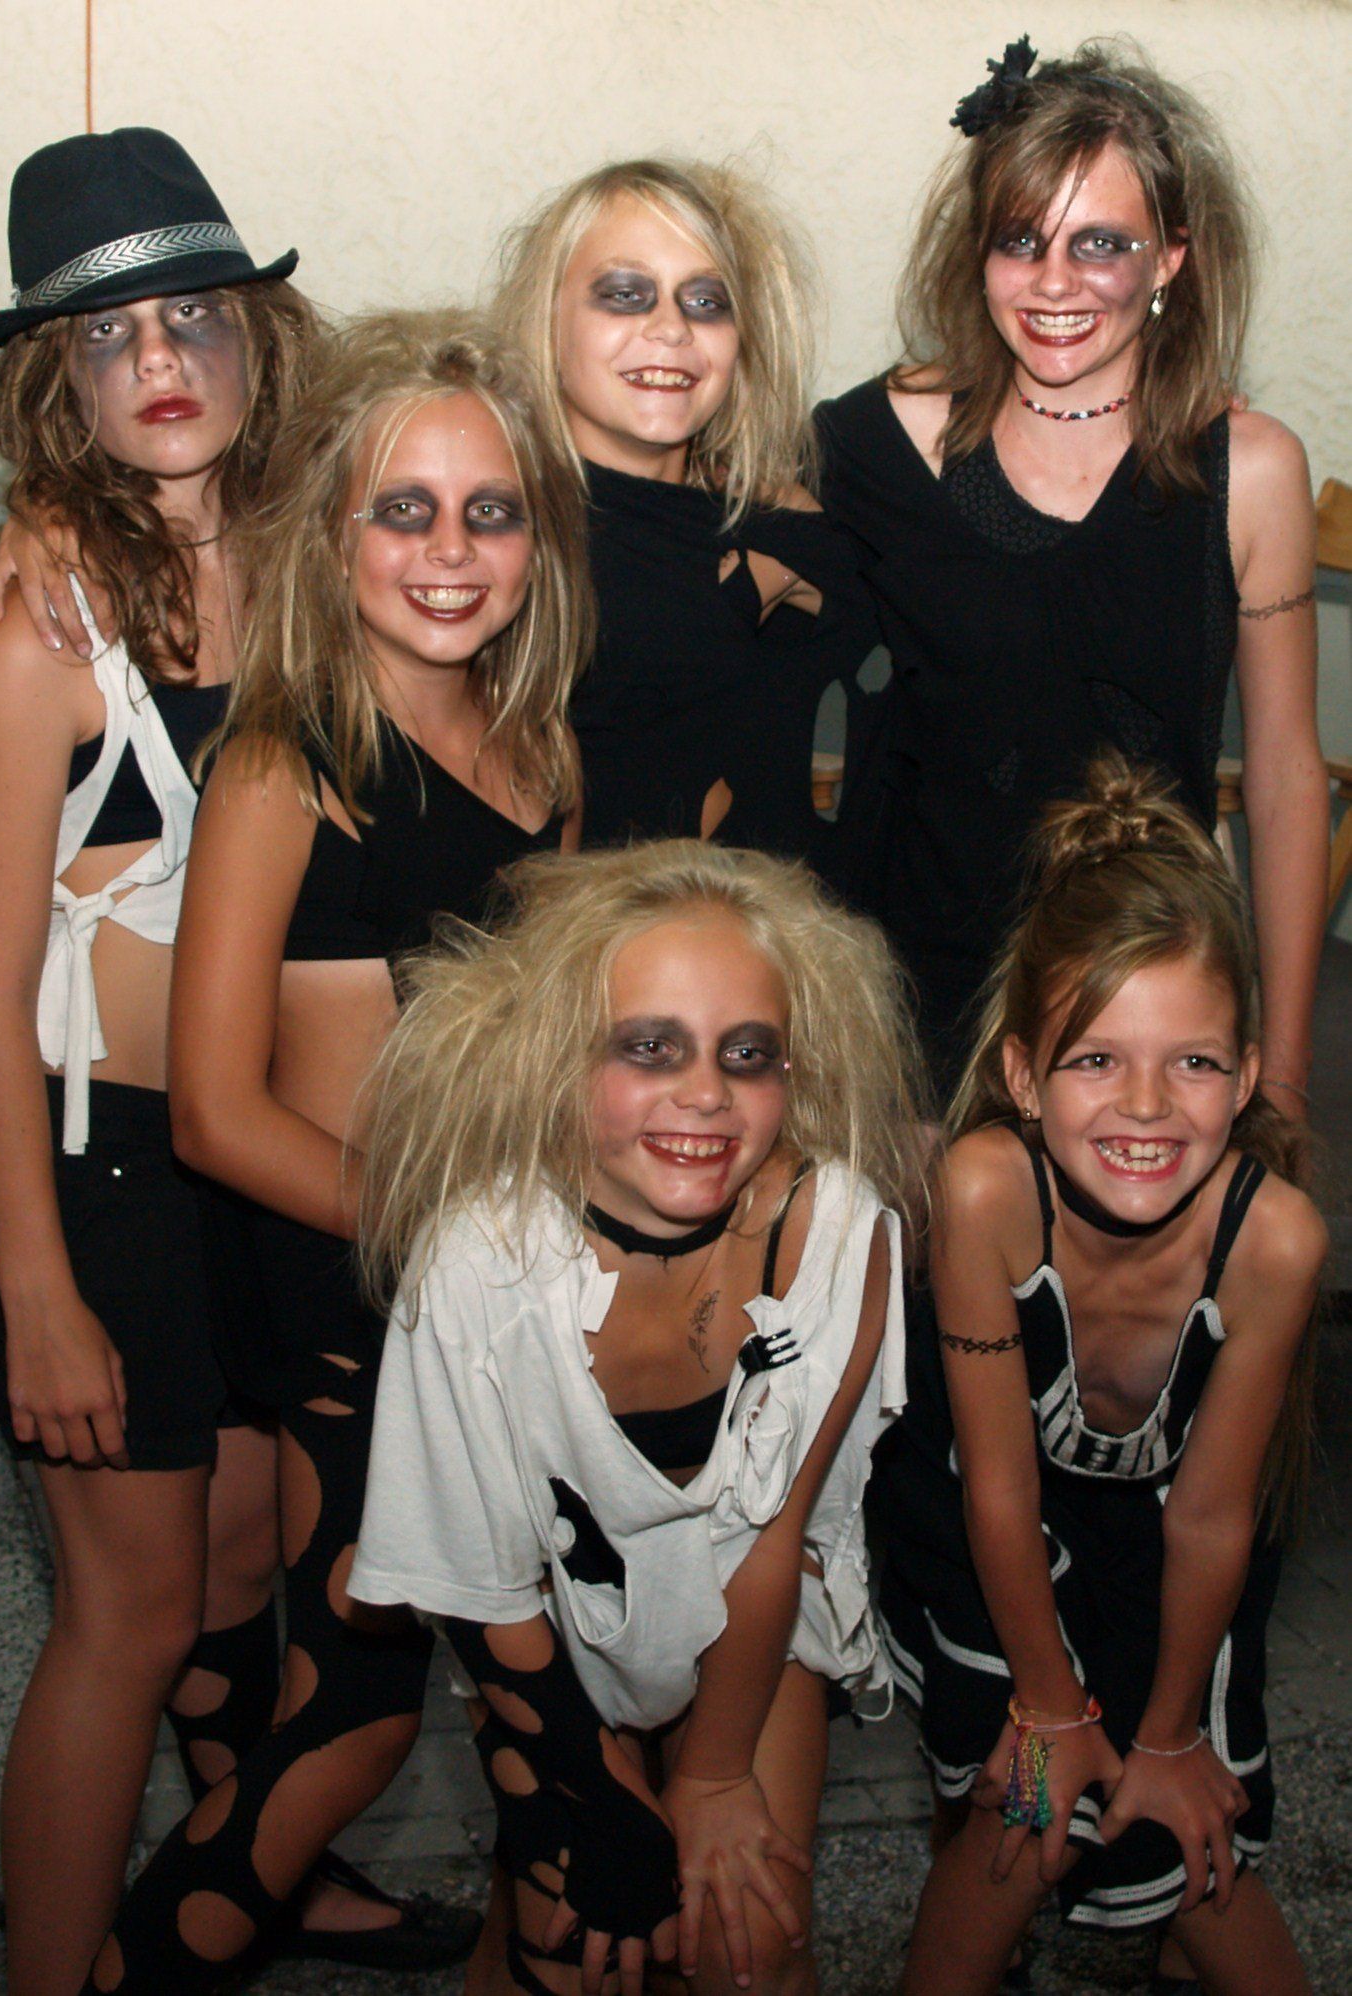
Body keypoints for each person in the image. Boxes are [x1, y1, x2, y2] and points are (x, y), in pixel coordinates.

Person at [79, 310, 590, 1995]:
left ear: (539, 538)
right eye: (404, 510)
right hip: (348, 1292)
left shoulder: (542, 751)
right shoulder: (284, 762)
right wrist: (441, 1245)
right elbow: (215, 1110)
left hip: (485, 1297)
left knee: (523, 1714)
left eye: (490, 511)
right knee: (359, 1713)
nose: (449, 552)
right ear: (335, 533)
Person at [0, 127, 314, 1995]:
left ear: (259, 336)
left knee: (243, 1563)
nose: (159, 360)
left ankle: (242, 1884)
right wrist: (34, 1291)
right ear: (55, 387)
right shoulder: (39, 626)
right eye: (105, 337)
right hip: (92, 1180)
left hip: (253, 1156)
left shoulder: (314, 553)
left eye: (192, 317)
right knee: (131, 1610)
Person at [349, 839, 931, 1996]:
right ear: (555, 1058)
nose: (706, 1091)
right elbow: (488, 1595)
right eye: (649, 1046)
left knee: (749, 1944)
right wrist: (600, 1799)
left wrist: (709, 1779)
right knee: (573, 1945)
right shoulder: (476, 1267)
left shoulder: (838, 1235)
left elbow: (775, 1536)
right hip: (545, 1637)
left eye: (746, 1053)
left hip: (772, 1628)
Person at [878, 756, 1323, 1994]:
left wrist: (1168, 1733)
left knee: (1185, 1822)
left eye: (1191, 1064)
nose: (1143, 1106)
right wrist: (1050, 1703)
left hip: (1171, 1545)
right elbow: (996, 1489)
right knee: (1025, 1809)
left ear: (1244, 1078)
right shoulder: (984, 1190)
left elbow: (1210, 1515)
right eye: (1094, 1061)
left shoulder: (1274, 1242)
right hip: (990, 1532)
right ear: (1023, 1076)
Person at [815, 37, 1327, 1105]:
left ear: (1170, 258)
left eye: (1099, 243)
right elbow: (688, 529)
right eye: (1020, 240)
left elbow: (1283, 778)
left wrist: (1279, 1074)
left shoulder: (1249, 471)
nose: (1053, 283)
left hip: (1143, 1004)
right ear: (978, 252)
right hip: (914, 997)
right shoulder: (874, 445)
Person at [494, 157, 879, 863]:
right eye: (624, 294)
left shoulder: (786, 524)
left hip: (800, 919)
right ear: (548, 320)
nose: (671, 328)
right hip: (587, 924)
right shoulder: (498, 536)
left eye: (706, 302)